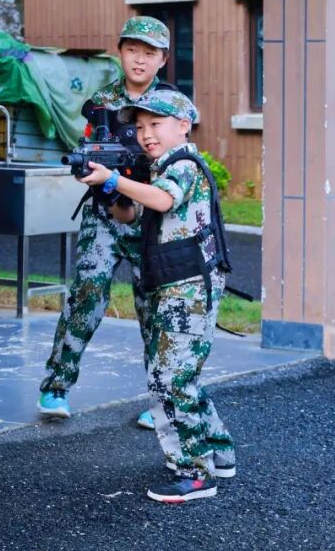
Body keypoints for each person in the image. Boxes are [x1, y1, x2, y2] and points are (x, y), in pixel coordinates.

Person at [82, 90, 235, 503]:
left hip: (187, 288)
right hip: (175, 284)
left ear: (184, 126)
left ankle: (194, 473)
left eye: (156, 124)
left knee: (169, 378)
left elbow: (163, 199)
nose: (146, 134)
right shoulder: (158, 169)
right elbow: (131, 215)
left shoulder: (182, 165)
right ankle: (218, 450)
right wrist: (108, 193)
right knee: (181, 375)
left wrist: (115, 180)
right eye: (140, 126)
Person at [37, 16, 173, 428]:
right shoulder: (100, 102)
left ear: (163, 59)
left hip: (152, 220)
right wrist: (95, 178)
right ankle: (56, 386)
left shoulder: (172, 104)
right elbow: (88, 149)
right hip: (104, 214)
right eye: (132, 50)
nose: (139, 59)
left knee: (155, 308)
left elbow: (177, 161)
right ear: (120, 53)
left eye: (149, 53)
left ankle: (164, 401)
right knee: (86, 296)